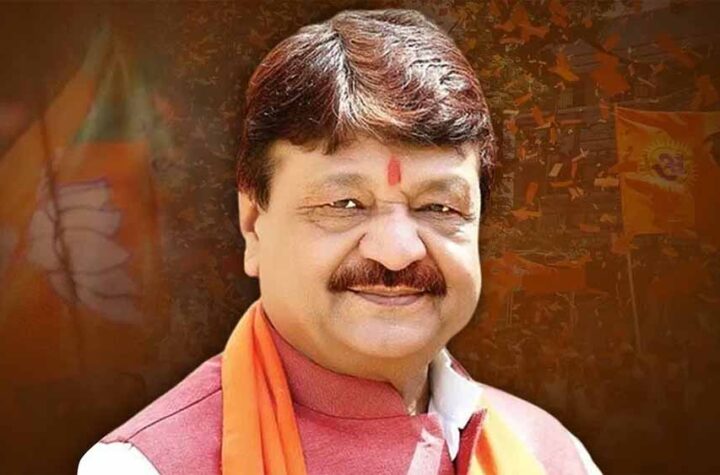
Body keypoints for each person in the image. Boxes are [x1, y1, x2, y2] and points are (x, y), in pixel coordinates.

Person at [78, 8, 601, 474]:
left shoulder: (548, 454)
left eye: (438, 208)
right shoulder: (146, 466)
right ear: (253, 224)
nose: (397, 251)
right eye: (345, 204)